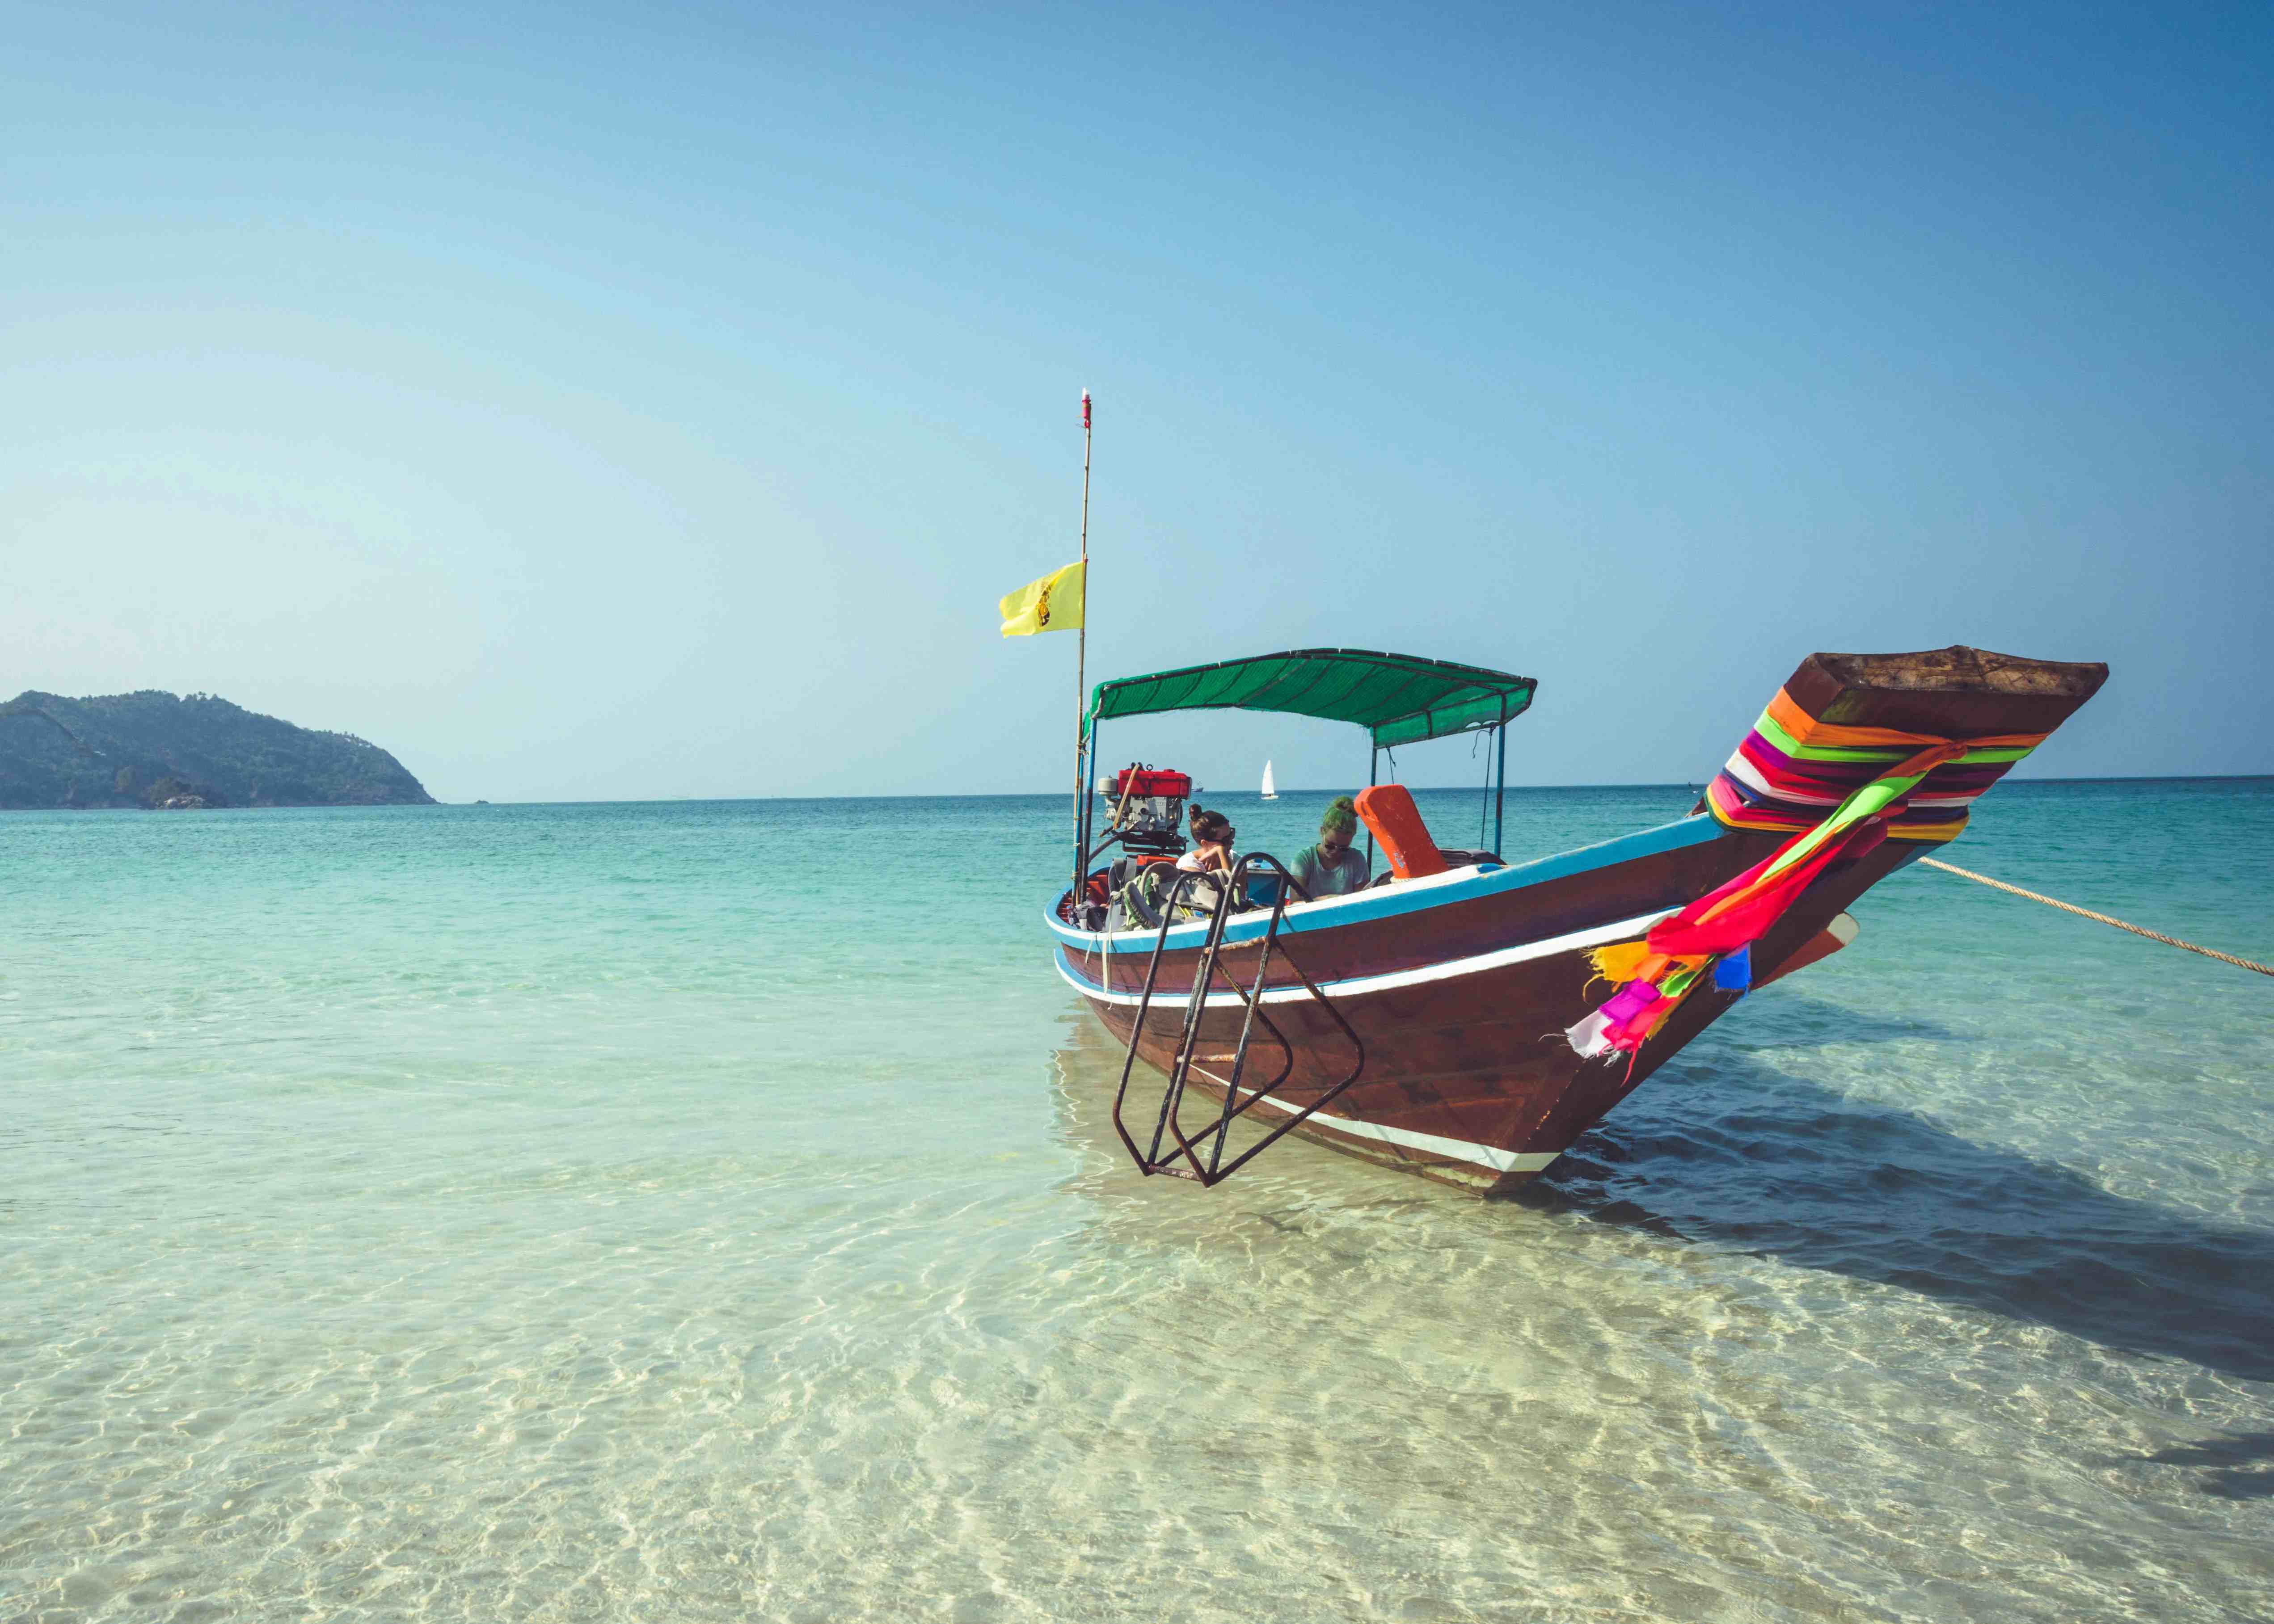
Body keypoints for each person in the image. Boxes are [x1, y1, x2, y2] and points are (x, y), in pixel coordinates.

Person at [1289, 796, 1371, 898]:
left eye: (1344, 848)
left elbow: (1362, 901)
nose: (1335, 852)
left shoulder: (1357, 859)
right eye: (1330, 846)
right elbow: (1295, 905)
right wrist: (1327, 900)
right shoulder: (1304, 859)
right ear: (1322, 831)